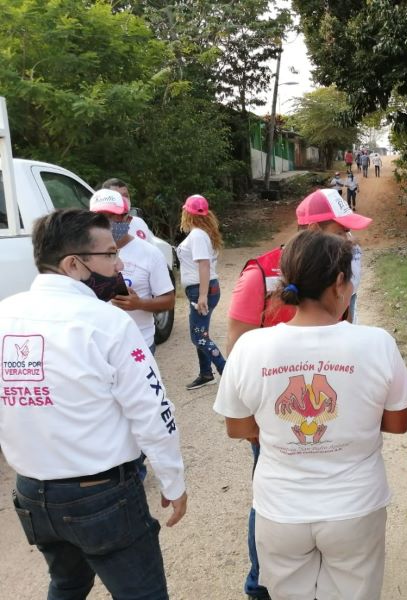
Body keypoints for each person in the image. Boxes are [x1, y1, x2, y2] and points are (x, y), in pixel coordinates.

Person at [214, 230, 407, 600]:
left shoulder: (251, 347)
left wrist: (283, 432)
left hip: (280, 510)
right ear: (340, 282)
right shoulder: (377, 343)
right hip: (355, 508)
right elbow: (397, 423)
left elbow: (238, 426)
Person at [0, 208, 187, 599]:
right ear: (73, 263)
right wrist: (172, 478)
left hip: (32, 493)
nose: (118, 264)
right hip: (99, 494)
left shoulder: (5, 315)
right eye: (109, 255)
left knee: (67, 584)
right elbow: (151, 409)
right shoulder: (106, 322)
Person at [226, 188, 372, 600]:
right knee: (272, 496)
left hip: (324, 407)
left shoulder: (337, 273)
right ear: (312, 229)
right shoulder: (259, 274)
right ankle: (261, 583)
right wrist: (254, 419)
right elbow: (237, 345)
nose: (348, 240)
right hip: (275, 414)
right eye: (339, 230)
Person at [89, 189, 175, 355]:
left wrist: (139, 304)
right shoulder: (83, 254)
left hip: (139, 345)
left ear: (127, 219)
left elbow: (169, 301)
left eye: (112, 217)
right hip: (99, 347)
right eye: (98, 217)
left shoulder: (150, 253)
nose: (105, 224)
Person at [176, 194, 226, 390]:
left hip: (201, 291)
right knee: (200, 333)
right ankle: (206, 373)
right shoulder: (204, 233)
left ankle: (227, 372)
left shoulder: (197, 235)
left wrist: (203, 295)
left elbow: (204, 264)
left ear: (187, 213)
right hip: (203, 289)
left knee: (199, 337)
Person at [101, 177, 154, 243]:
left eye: (125, 196)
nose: (123, 199)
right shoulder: (98, 226)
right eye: (117, 196)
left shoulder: (139, 222)